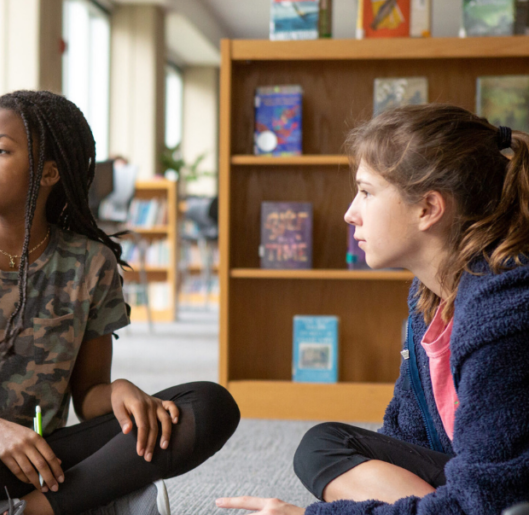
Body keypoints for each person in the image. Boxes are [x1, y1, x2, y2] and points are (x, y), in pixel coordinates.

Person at [0, 90, 240, 515]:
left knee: (205, 406)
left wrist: (118, 392)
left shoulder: (91, 265)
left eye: (0, 150)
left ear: (49, 173)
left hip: (45, 462)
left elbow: (88, 396)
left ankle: (29, 510)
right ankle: (82, 502)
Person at [216, 104, 529, 514]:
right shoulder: (430, 297)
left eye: (366, 192)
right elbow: (406, 438)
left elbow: (491, 496)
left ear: (428, 208)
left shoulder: (503, 310)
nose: (350, 214)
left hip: (507, 498)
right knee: (323, 446)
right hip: (480, 486)